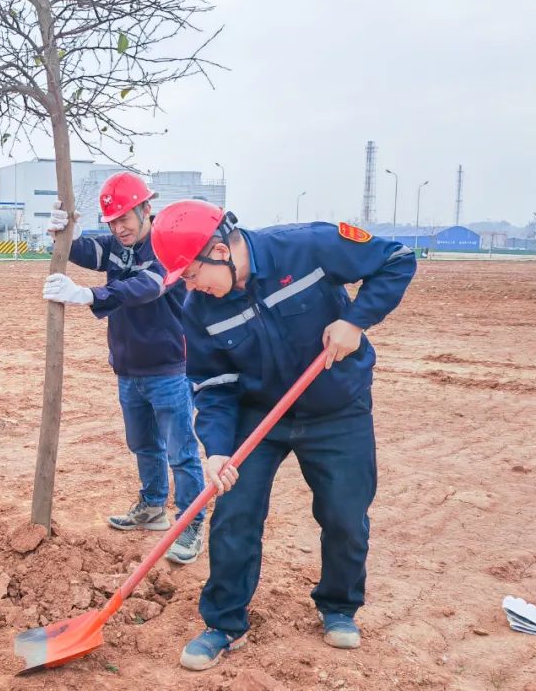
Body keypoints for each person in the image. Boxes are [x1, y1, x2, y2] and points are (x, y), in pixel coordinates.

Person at [149, 201, 416, 670]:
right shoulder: (199, 309)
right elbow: (212, 385)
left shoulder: (306, 246)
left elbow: (395, 259)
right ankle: (224, 623)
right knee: (235, 514)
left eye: (192, 274)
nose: (191, 287)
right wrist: (217, 451)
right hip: (259, 414)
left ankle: (338, 607)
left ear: (219, 249)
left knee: (344, 515)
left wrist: (355, 321)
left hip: (337, 408)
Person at [42, 173, 207, 565]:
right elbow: (85, 251)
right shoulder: (117, 246)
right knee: (143, 444)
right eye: (113, 221)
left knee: (181, 452)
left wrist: (89, 295)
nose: (120, 227)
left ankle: (190, 522)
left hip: (169, 369)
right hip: (129, 369)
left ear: (146, 209)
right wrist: (62, 233)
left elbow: (146, 288)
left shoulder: (166, 245)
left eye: (125, 218)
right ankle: (152, 507)